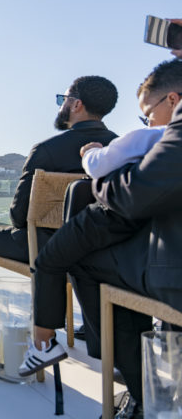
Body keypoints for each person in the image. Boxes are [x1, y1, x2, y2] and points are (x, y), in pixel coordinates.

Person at [18, 60, 182, 411]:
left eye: (148, 114)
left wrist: (97, 174)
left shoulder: (53, 149)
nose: (148, 122)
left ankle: (65, 346)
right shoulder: (124, 139)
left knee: (70, 258)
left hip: (156, 252)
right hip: (152, 235)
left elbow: (20, 215)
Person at [0, 75, 119, 339]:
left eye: (63, 99)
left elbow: (19, 217)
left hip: (46, 250)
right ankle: (93, 327)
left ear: (76, 104)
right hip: (101, 252)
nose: (61, 105)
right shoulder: (120, 149)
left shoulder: (46, 150)